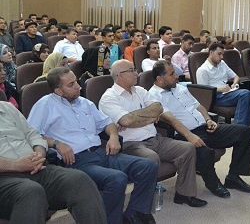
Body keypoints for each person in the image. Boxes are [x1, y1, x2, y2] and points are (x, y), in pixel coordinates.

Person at [27, 67, 158, 224]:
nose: (78, 86)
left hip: (102, 152)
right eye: (71, 84)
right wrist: (55, 143)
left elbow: (107, 123)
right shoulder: (45, 105)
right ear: (58, 91)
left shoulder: (84, 102)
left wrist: (114, 136)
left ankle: (134, 214)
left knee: (148, 166)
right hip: (76, 161)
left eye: (76, 81)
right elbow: (32, 135)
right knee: (117, 179)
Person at [99, 59, 207, 208]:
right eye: (132, 70)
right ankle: (143, 206)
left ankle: (184, 194)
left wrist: (136, 118)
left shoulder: (141, 91)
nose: (136, 73)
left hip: (156, 139)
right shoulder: (109, 98)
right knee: (151, 158)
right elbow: (126, 121)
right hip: (132, 144)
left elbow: (158, 108)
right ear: (119, 75)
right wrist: (147, 117)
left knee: (187, 148)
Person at [149, 60, 250, 198]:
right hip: (184, 134)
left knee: (244, 132)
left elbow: (198, 106)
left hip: (204, 127)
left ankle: (233, 177)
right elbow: (170, 120)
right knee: (203, 151)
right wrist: (190, 136)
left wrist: (208, 119)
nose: (176, 76)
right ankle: (214, 184)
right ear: (160, 78)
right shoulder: (153, 96)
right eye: (172, 74)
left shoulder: (180, 87)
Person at [0, 101, 108, 224]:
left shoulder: (7, 107)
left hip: (35, 167)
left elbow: (32, 134)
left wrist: (39, 153)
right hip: (5, 178)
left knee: (79, 179)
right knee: (31, 191)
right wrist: (16, 165)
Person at [196, 43, 250, 126]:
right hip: (215, 97)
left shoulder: (222, 63)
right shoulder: (203, 70)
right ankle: (238, 128)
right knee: (245, 94)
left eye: (222, 54)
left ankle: (245, 126)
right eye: (219, 54)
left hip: (228, 93)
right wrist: (219, 89)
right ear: (211, 53)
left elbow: (236, 77)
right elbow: (203, 92)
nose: (221, 57)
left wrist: (234, 84)